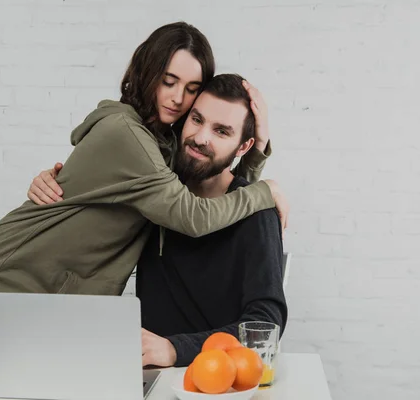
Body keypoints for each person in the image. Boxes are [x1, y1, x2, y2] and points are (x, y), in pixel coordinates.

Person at [0, 22, 288, 356]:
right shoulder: (129, 137)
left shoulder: (164, 152)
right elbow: (193, 212)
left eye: (191, 88)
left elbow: (211, 179)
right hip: (15, 275)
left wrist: (254, 156)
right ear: (147, 72)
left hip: (56, 285)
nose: (178, 98)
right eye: (168, 81)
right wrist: (265, 190)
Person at [27, 74, 288, 368]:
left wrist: (175, 350)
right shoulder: (152, 193)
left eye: (222, 132)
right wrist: (54, 183)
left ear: (243, 147)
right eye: (197, 119)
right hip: (141, 372)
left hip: (218, 377)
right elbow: (87, 208)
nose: (201, 138)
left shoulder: (257, 211)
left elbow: (266, 325)